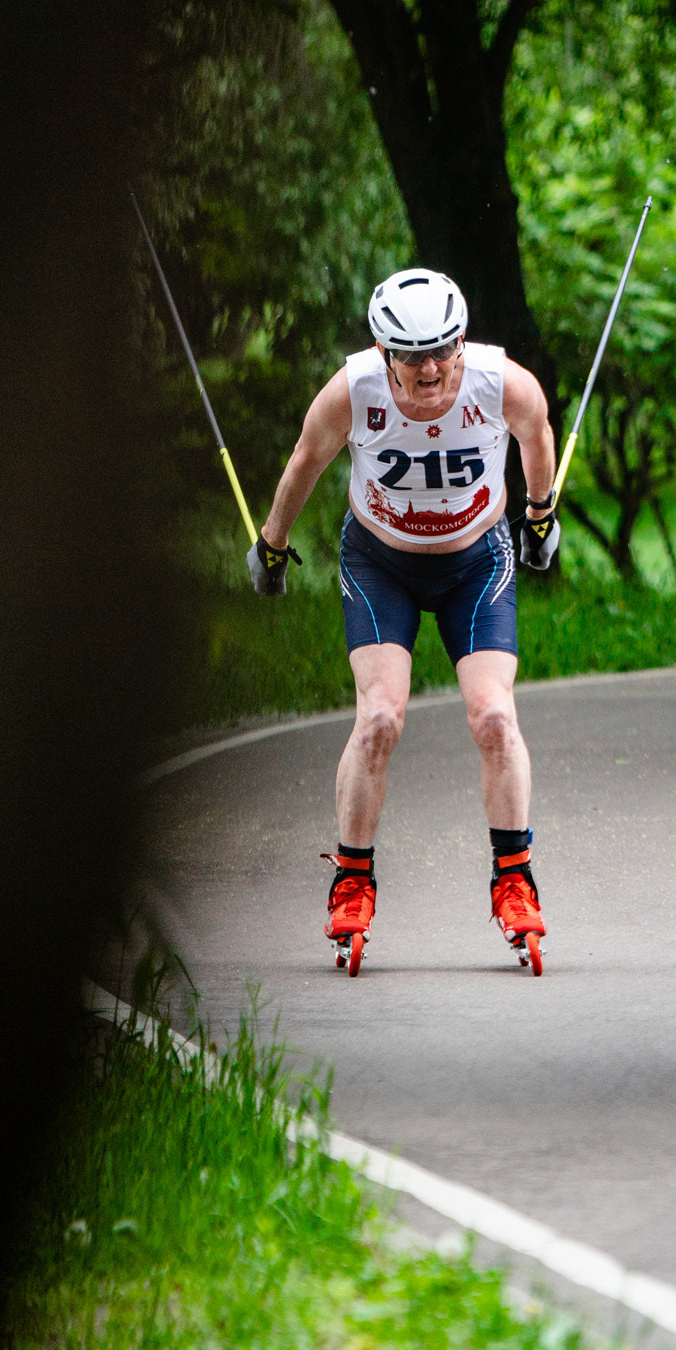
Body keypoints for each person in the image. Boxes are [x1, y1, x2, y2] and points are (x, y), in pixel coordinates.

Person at [248, 268, 563, 975]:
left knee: (494, 718)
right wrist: (271, 544)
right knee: (380, 718)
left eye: (442, 349)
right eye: (411, 354)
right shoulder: (354, 389)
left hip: (475, 563)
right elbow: (307, 460)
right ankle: (353, 879)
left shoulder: (499, 382)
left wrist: (540, 515)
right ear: (384, 353)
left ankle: (515, 877)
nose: (430, 368)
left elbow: (536, 433)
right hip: (380, 564)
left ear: (460, 341)